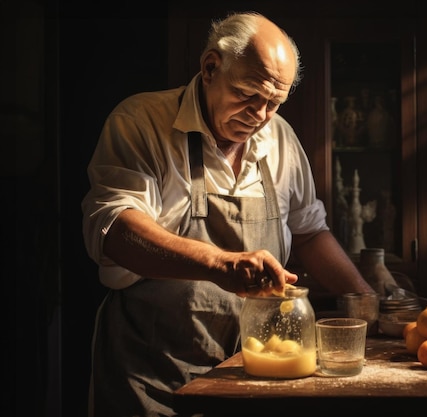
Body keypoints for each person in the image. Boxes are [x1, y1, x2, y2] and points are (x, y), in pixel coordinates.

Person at [81, 11, 375, 417]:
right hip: (153, 373)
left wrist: (363, 297)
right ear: (210, 67)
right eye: (248, 94)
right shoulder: (141, 123)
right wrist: (219, 263)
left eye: (274, 102)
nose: (260, 116)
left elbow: (308, 232)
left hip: (251, 375)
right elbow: (114, 231)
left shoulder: (280, 138)